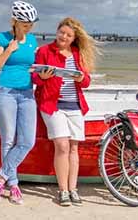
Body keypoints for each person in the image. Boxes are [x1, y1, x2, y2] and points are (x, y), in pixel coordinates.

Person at [32, 17, 99, 207]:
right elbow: (35, 78)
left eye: (69, 35)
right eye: (62, 32)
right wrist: (42, 77)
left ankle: (73, 190)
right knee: (62, 145)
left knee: (74, 148)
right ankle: (63, 191)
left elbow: (86, 82)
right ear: (57, 31)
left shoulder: (77, 53)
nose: (64, 36)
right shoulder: (45, 51)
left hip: (75, 106)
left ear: (73, 38)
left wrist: (80, 78)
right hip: (52, 105)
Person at [0, 0, 39, 205]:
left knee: (27, 141)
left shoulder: (33, 40)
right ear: (14, 21)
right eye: (25, 24)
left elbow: (32, 66)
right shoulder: (1, 39)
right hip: (4, 93)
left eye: (31, 24)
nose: (29, 27)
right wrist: (9, 50)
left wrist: (42, 72)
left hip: (26, 93)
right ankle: (13, 184)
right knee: (8, 140)